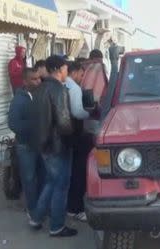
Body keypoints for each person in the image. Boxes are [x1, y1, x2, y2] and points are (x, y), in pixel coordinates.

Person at [28, 55, 76, 237]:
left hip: (44, 145)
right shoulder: (58, 90)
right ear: (59, 69)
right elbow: (64, 123)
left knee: (51, 182)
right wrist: (72, 139)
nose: (67, 72)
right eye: (65, 69)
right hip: (57, 146)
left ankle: (36, 218)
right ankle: (57, 226)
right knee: (61, 185)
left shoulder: (39, 89)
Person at [8, 68, 43, 218]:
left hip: (41, 144)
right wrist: (36, 124)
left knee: (42, 176)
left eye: (38, 78)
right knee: (29, 179)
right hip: (26, 146)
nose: (38, 81)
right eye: (34, 79)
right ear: (25, 81)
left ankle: (41, 207)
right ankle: (32, 210)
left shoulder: (40, 95)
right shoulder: (18, 100)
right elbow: (14, 124)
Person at [64, 62, 91, 222]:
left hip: (65, 136)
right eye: (81, 74)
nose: (82, 78)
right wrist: (90, 111)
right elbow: (78, 112)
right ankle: (76, 208)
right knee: (78, 173)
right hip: (75, 136)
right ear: (74, 72)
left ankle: (70, 206)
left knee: (69, 174)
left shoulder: (61, 85)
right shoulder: (73, 88)